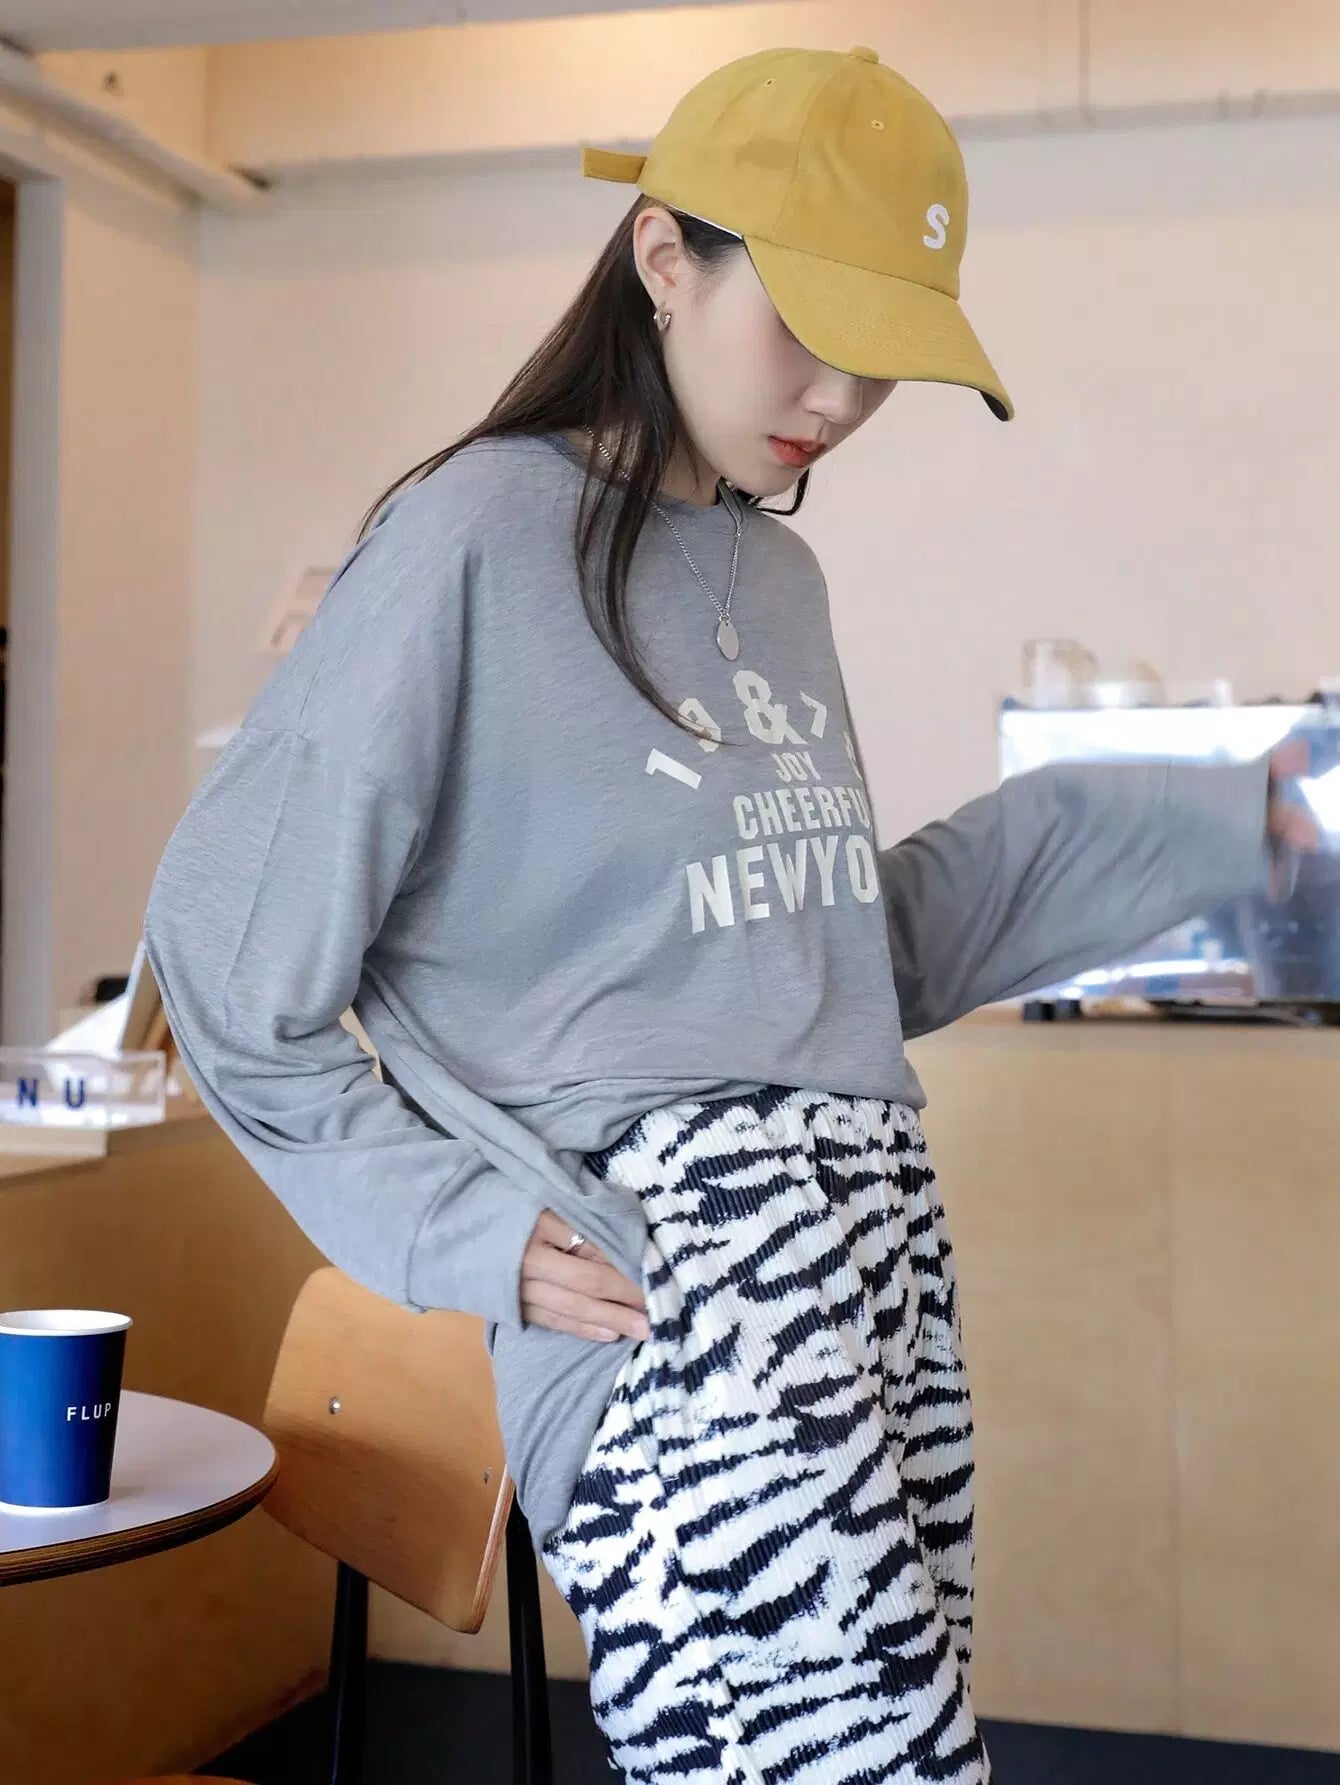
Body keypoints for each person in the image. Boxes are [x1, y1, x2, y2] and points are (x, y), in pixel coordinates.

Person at [143, 44, 1316, 1785]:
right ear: (662, 257)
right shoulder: (470, 539)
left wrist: (1215, 821)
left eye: (885, 355)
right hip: (682, 1296)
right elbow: (222, 960)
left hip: (877, 1266)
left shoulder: (780, 578)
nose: (839, 397)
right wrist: (460, 1232)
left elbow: (839, 951)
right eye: (809, 326)